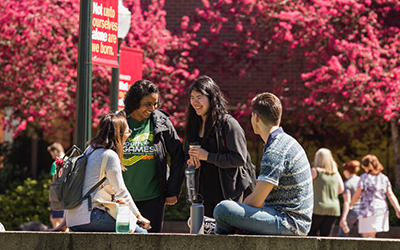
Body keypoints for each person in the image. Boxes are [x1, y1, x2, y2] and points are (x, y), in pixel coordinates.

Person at [213, 92, 314, 235]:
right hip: (291, 220)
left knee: (223, 210)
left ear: (255, 117)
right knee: (228, 212)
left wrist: (234, 214)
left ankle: (216, 231)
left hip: (288, 222)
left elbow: (256, 201)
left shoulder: (275, 150)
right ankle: (219, 229)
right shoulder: (287, 142)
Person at [49, 112, 150, 232]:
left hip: (74, 219)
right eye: (128, 132)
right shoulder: (109, 155)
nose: (129, 135)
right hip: (92, 217)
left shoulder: (90, 150)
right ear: (119, 134)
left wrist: (65, 223)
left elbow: (76, 188)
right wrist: (139, 217)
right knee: (142, 233)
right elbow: (121, 191)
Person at [185, 76, 253, 218]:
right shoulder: (194, 125)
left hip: (228, 195)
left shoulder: (228, 124)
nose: (195, 102)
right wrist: (191, 161)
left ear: (212, 97)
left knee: (226, 238)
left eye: (199, 97)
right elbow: (188, 154)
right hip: (202, 194)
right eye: (192, 98)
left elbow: (239, 158)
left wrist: (208, 156)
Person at [122, 80, 185, 233]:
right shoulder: (118, 121)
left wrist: (172, 190)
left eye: (155, 104)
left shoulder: (161, 123)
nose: (152, 108)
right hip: (122, 199)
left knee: (150, 242)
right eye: (147, 104)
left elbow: (178, 155)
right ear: (135, 101)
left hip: (153, 199)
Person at [349, 154, 400, 238]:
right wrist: (397, 208)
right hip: (380, 210)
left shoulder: (364, 177)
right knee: (370, 236)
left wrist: (351, 204)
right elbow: (390, 195)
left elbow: (358, 193)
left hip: (366, 210)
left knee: (367, 237)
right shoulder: (384, 178)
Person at [308, 148, 344, 236]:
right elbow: (341, 189)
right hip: (333, 209)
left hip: (317, 208)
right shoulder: (336, 173)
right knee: (326, 238)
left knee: (311, 236)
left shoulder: (314, 172)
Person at [338, 160, 361, 237]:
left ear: (347, 171)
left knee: (342, 235)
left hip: (352, 211)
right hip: (363, 210)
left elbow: (347, 201)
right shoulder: (361, 180)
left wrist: (343, 218)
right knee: (365, 235)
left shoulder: (347, 183)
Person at [47, 142, 66, 229]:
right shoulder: (69, 161)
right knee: (64, 219)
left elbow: (53, 181)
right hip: (66, 194)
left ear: (55, 151)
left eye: (51, 154)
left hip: (57, 194)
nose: (52, 156)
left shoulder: (56, 164)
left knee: (55, 219)